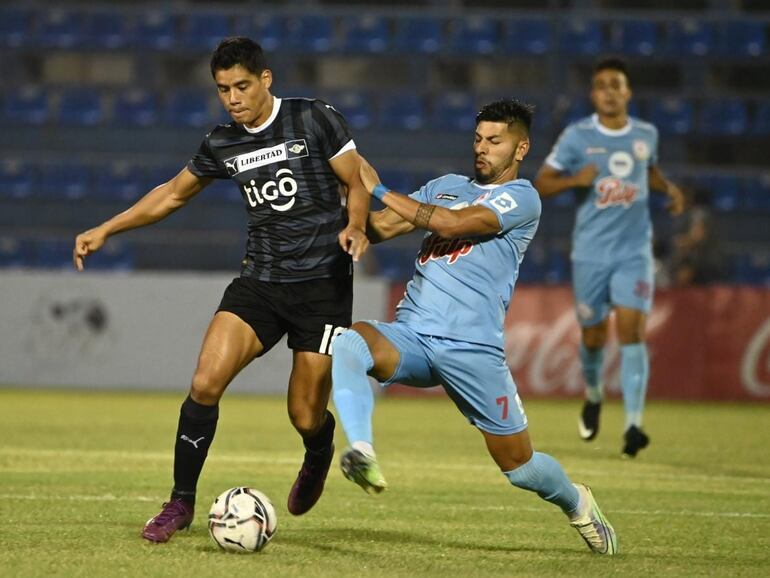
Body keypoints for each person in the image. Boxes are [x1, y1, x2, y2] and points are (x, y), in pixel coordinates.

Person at [72, 37, 371, 542]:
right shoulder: (222, 142)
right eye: (223, 89)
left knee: (304, 414)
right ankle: (180, 503)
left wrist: (357, 225)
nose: (232, 98)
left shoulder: (314, 118)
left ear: (266, 79)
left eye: (241, 86)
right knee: (206, 381)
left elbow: (357, 181)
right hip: (260, 283)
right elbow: (170, 195)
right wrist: (107, 228)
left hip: (322, 287)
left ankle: (318, 450)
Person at [331, 99, 618, 555]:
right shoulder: (445, 185)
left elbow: (451, 223)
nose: (482, 149)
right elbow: (382, 228)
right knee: (349, 343)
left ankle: (577, 502)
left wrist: (379, 187)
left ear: (520, 147)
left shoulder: (523, 198)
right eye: (478, 139)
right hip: (415, 337)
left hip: (473, 350)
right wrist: (350, 176)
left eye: (495, 141)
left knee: (519, 467)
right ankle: (362, 450)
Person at [534, 57, 685, 458]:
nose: (610, 91)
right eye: (602, 85)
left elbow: (646, 170)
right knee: (594, 336)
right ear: (594, 94)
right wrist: (573, 180)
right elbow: (541, 184)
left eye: (616, 84)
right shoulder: (577, 137)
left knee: (633, 331)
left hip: (634, 252)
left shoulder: (646, 134)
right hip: (590, 254)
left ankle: (634, 426)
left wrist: (667, 188)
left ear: (628, 92)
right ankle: (594, 392)